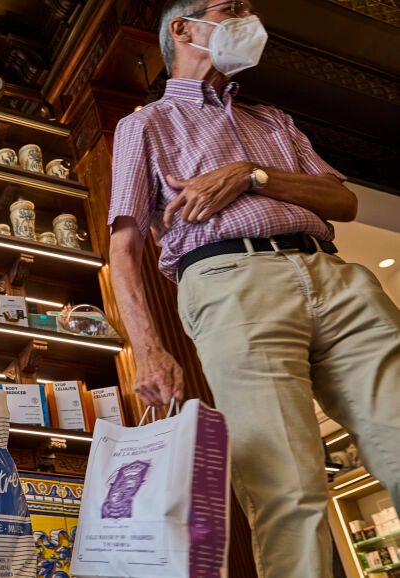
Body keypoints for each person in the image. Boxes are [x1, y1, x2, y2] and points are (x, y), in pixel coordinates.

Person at [107, 1, 400, 577]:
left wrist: (251, 175)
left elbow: (342, 201)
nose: (248, 16)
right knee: (286, 486)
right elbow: (123, 246)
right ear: (182, 28)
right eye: (231, 7)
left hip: (336, 275)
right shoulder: (145, 124)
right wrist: (148, 348)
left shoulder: (274, 121)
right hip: (232, 282)